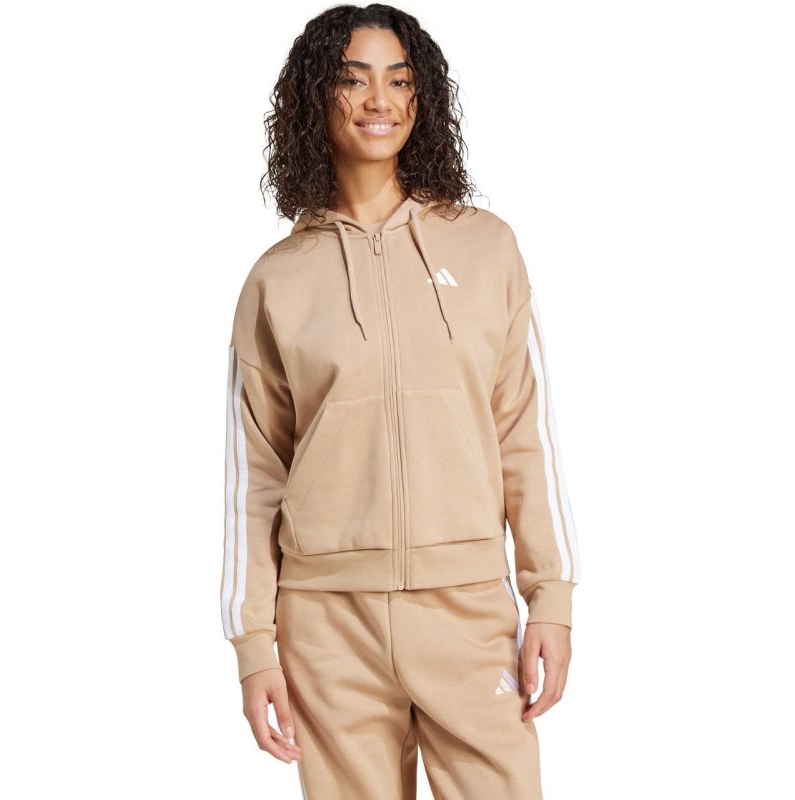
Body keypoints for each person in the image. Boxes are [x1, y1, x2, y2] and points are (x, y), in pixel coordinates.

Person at [220, 4, 581, 798]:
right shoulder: (277, 280)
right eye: (353, 80)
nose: (379, 100)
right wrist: (254, 648)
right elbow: (255, 479)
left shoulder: (486, 247)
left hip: (467, 609)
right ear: (317, 98)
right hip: (327, 622)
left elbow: (524, 435)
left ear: (422, 100)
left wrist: (550, 598)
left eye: (400, 80)